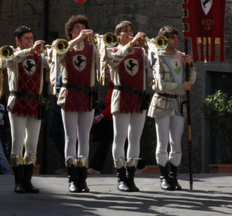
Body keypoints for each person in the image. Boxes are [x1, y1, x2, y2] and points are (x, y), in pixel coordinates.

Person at [50, 15, 99, 193]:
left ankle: (82, 178)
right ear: (70, 31)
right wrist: (77, 39)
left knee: (84, 137)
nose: (80, 30)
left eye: (83, 27)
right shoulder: (62, 44)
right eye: (76, 27)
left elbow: (106, 56)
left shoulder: (92, 48)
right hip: (69, 93)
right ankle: (72, 178)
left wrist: (97, 41)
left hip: (86, 94)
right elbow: (58, 53)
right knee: (71, 137)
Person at [0, 26, 48, 193]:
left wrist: (50, 51)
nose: (30, 41)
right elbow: (7, 62)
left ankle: (28, 181)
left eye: (31, 38)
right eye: (26, 38)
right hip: (17, 100)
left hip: (35, 102)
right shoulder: (11, 53)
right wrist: (29, 51)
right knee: (17, 141)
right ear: (17, 40)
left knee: (32, 143)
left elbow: (56, 62)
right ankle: (18, 181)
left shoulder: (38, 56)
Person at [103, 21, 150, 192]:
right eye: (125, 32)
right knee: (120, 137)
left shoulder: (140, 51)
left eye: (131, 31)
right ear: (118, 36)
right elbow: (114, 62)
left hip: (138, 97)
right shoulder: (111, 50)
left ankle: (131, 176)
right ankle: (121, 177)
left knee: (135, 137)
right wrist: (131, 43)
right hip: (121, 95)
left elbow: (151, 65)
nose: (130, 33)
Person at [148, 25, 196, 191]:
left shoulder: (182, 56)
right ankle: (163, 176)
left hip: (178, 103)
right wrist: (180, 87)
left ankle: (173, 176)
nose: (176, 40)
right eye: (172, 38)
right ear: (164, 39)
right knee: (162, 142)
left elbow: (190, 80)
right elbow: (157, 85)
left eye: (176, 37)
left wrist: (191, 65)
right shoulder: (157, 57)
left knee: (176, 142)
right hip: (162, 102)